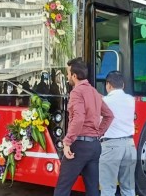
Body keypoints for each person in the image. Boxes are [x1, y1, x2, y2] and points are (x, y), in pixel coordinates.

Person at [53, 57, 114, 196]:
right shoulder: (94, 92)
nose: (67, 76)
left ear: (74, 76)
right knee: (92, 189)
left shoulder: (76, 92)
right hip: (94, 146)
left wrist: (67, 142)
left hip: (79, 146)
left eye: (68, 73)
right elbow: (109, 115)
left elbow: (79, 118)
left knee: (62, 189)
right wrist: (98, 133)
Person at [99, 71, 136, 196]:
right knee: (128, 189)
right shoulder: (131, 100)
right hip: (130, 146)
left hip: (111, 147)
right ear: (123, 85)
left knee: (108, 189)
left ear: (108, 85)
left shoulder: (104, 101)